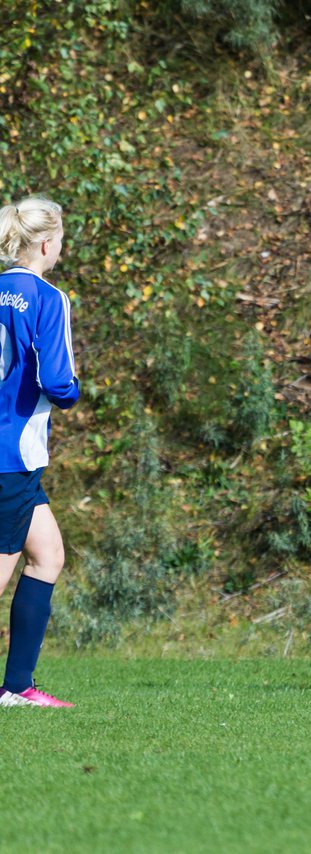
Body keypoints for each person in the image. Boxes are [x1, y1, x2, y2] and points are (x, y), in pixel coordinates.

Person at [0, 196, 79, 708]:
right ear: (47, 243)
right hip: (12, 455)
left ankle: (17, 688)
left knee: (47, 555)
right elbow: (58, 381)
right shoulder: (49, 298)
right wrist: (69, 391)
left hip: (12, 458)